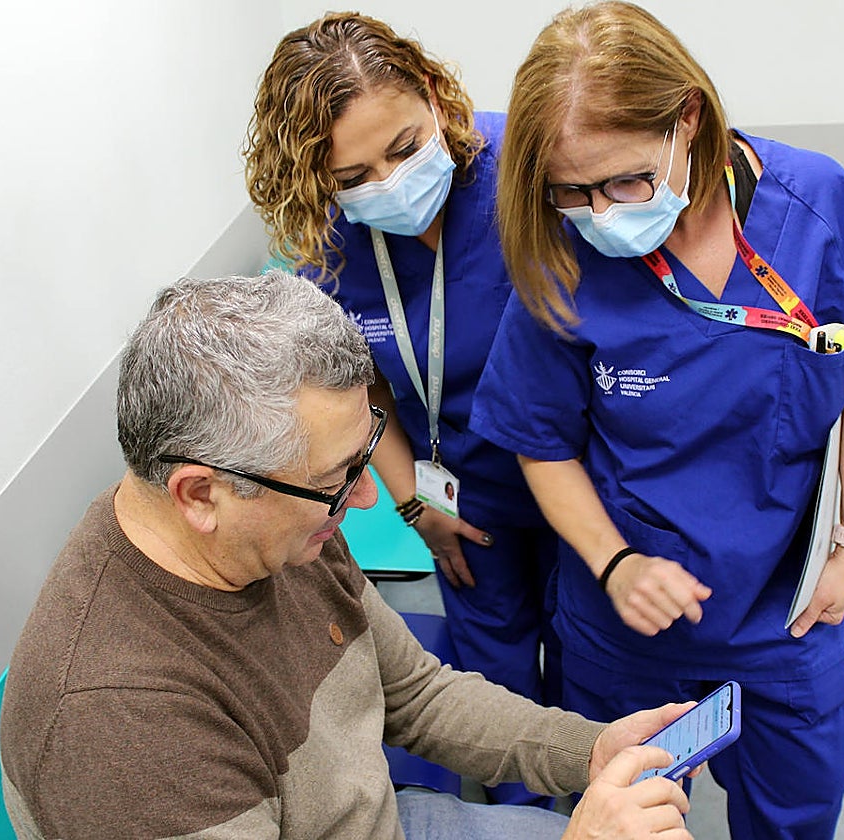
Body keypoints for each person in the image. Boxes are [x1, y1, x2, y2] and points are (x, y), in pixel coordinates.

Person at [469, 3, 844, 839]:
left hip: (783, 610)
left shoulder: (818, 208)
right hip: (625, 612)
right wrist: (615, 563)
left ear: (687, 119)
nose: (601, 214)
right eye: (571, 191)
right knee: (631, 820)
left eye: (626, 181)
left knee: (796, 808)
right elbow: (541, 442)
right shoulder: (563, 249)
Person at [0, 272, 697, 840]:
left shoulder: (277, 526)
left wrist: (589, 750)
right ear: (201, 494)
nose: (366, 499)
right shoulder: (117, 725)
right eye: (338, 478)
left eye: (365, 455)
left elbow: (415, 694)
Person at [243, 12, 560, 808]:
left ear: (434, 96)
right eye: (353, 175)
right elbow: (366, 387)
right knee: (495, 670)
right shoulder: (328, 242)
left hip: (581, 474)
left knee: (593, 659)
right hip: (461, 489)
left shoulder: (530, 170)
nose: (388, 184)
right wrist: (417, 504)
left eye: (406, 147)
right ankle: (523, 819)